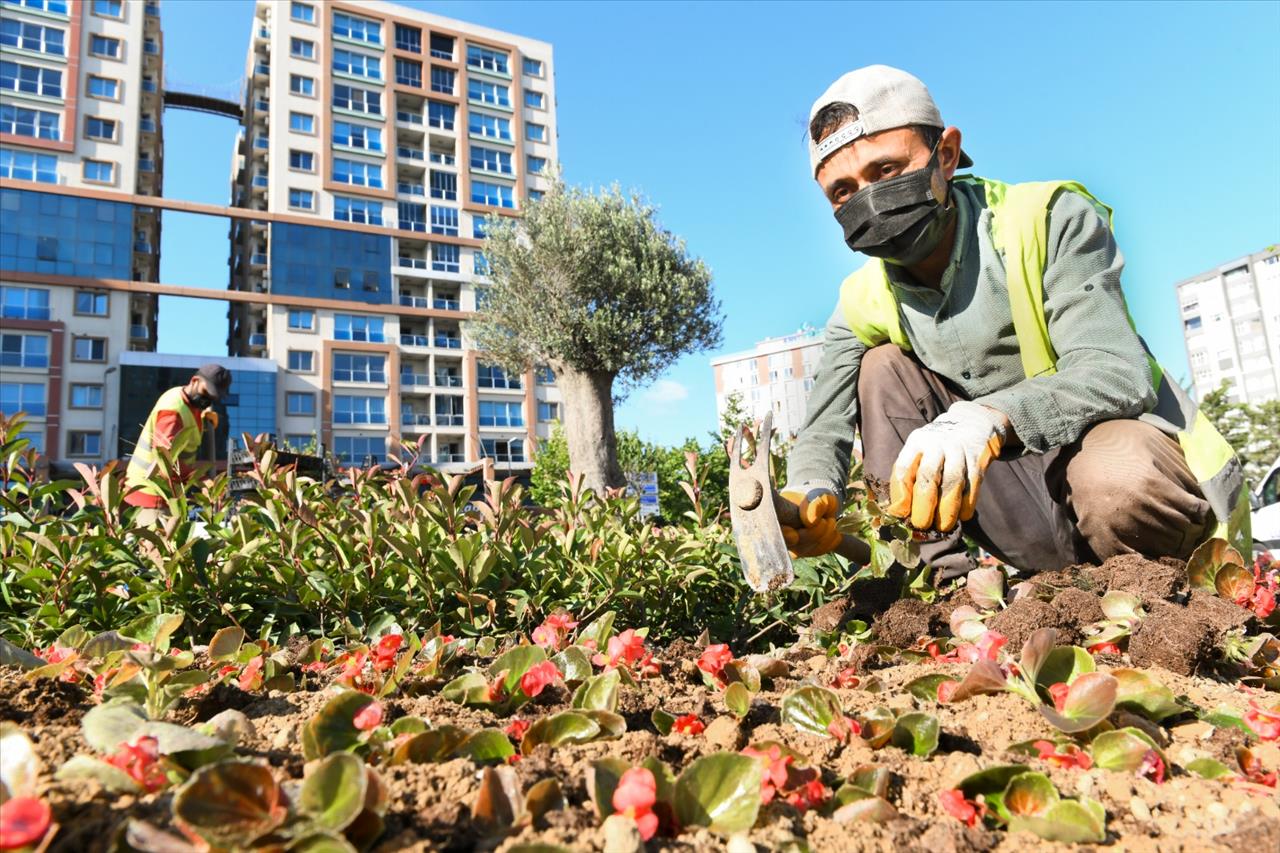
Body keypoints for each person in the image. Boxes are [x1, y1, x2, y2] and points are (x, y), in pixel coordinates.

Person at [780, 65, 1250, 579]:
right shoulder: (863, 298)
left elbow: (1116, 370)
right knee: (880, 368)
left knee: (1113, 475)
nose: (867, 199)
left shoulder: (1046, 219)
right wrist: (809, 490)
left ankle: (1163, 595)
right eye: (842, 191)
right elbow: (824, 423)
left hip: (1150, 508)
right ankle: (943, 589)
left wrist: (987, 417)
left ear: (947, 154)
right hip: (1030, 515)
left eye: (887, 170)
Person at [123, 364, 231, 526]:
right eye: (206, 394)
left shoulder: (186, 400)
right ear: (194, 380)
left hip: (167, 493)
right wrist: (202, 480)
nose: (207, 400)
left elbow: (186, 426)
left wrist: (204, 418)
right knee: (162, 549)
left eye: (213, 397)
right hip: (153, 494)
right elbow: (165, 460)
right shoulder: (172, 412)